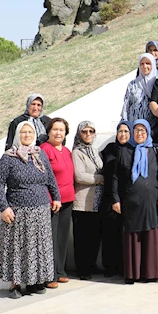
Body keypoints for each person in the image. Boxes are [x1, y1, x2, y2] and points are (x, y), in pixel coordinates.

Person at [0, 121, 61, 298]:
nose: (27, 135)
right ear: (18, 134)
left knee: (38, 247)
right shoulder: (8, 157)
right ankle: (15, 284)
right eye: (23, 132)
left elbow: (50, 178)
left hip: (40, 209)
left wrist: (56, 197)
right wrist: (4, 207)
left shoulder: (40, 154)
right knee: (18, 248)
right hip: (17, 210)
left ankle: (34, 282)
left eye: (30, 132)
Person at [111, 120, 158, 284]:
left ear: (147, 132)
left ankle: (150, 273)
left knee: (150, 234)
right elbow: (115, 177)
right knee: (133, 236)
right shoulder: (125, 151)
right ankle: (133, 274)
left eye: (142, 130)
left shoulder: (154, 150)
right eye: (136, 130)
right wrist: (115, 199)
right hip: (130, 201)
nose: (139, 133)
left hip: (150, 200)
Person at [40, 118, 74, 289]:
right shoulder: (44, 150)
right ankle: (49, 274)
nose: (58, 133)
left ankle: (60, 271)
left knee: (62, 238)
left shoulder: (67, 151)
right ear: (49, 131)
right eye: (55, 129)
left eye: (61, 130)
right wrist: (53, 198)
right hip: (53, 201)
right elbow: (43, 177)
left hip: (68, 199)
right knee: (51, 238)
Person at [71, 121, 104, 280]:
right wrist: (100, 179)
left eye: (91, 131)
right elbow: (79, 176)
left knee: (94, 236)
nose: (88, 134)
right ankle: (82, 269)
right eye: (85, 131)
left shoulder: (95, 151)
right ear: (79, 134)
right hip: (82, 202)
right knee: (82, 238)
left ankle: (91, 265)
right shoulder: (77, 152)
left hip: (96, 201)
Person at [99, 121, 129, 277]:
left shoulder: (133, 149)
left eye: (126, 131)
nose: (123, 134)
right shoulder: (109, 149)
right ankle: (110, 267)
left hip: (127, 197)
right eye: (120, 131)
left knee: (125, 234)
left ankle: (124, 267)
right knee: (110, 234)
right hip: (109, 196)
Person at [121, 54, 157, 124]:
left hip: (154, 128)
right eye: (142, 64)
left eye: (148, 63)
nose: (145, 66)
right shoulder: (132, 85)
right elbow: (126, 106)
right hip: (135, 127)